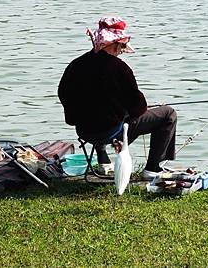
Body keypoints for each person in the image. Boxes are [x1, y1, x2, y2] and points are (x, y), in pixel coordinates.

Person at [58, 17, 177, 180]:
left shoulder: (75, 65)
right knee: (168, 114)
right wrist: (142, 108)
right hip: (111, 132)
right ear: (113, 44)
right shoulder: (120, 69)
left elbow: (64, 96)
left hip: (84, 131)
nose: (122, 50)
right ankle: (153, 168)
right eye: (121, 45)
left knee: (99, 113)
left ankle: (103, 159)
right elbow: (138, 108)